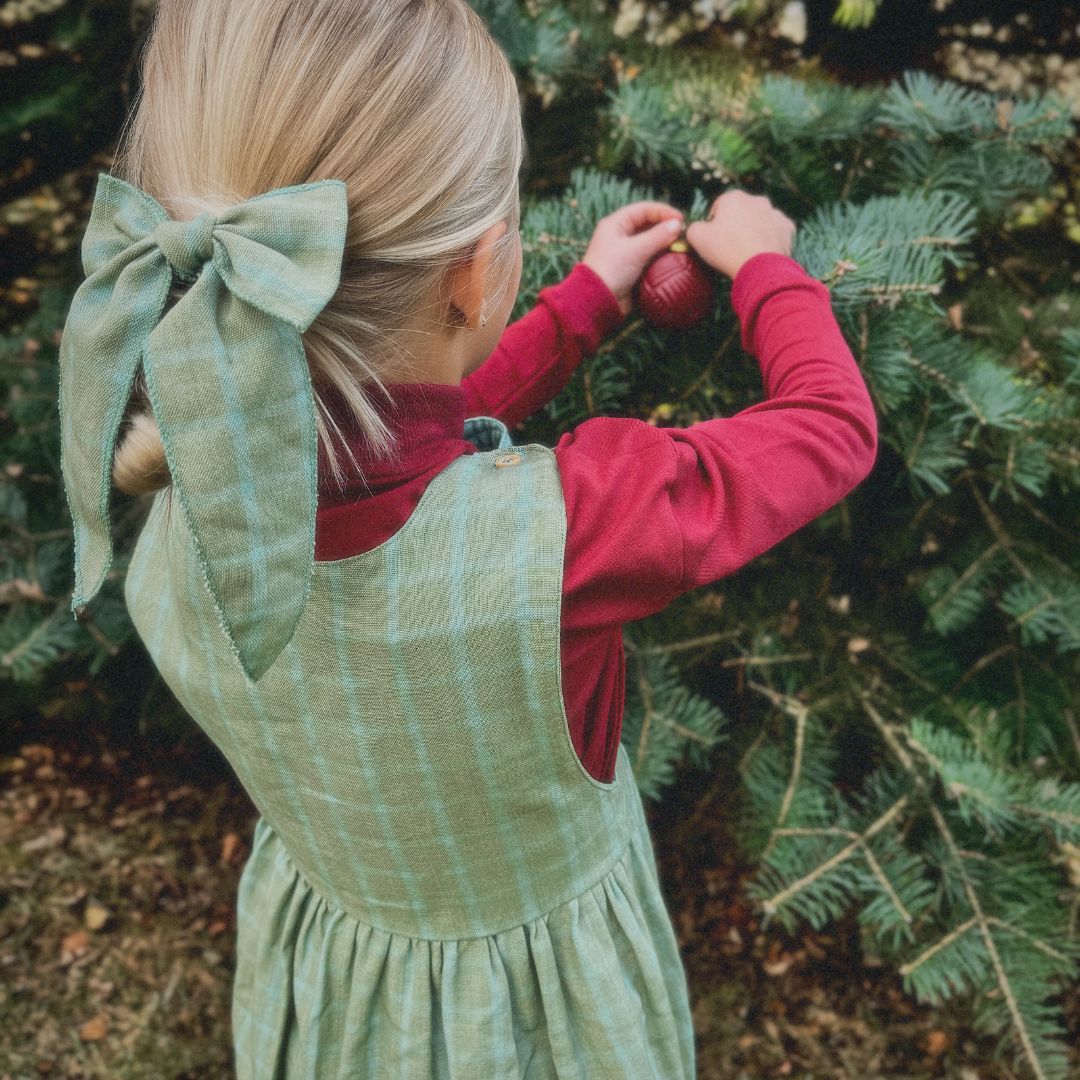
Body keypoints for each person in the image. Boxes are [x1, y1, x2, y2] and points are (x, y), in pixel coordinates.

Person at [56, 0, 878, 1077]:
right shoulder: (566, 536)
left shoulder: (193, 502)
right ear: (484, 272)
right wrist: (768, 266)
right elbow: (829, 429)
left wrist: (584, 306)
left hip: (338, 983)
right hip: (551, 1017)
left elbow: (384, 439)